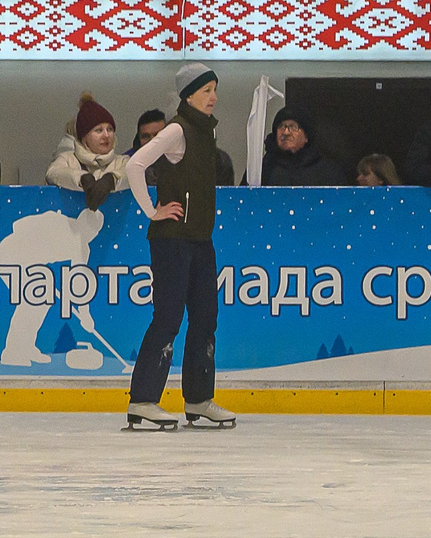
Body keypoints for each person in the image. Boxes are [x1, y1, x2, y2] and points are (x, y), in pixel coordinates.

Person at [121, 62, 234, 430]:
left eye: (215, 89)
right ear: (188, 95)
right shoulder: (177, 130)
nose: (213, 97)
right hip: (171, 241)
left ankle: (199, 398)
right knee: (168, 317)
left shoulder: (206, 132)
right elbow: (135, 164)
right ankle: (143, 400)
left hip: (201, 239)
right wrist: (153, 211)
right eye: (205, 90)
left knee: (205, 318)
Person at [46, 94, 127, 208]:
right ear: (84, 137)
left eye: (110, 129)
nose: (106, 135)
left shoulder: (123, 161)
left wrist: (112, 179)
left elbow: (132, 173)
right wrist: (82, 178)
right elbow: (53, 173)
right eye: (98, 130)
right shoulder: (68, 159)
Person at [256, 109, 344, 186]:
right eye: (281, 126)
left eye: (293, 127)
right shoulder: (263, 168)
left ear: (306, 136)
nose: (286, 132)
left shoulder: (328, 171)